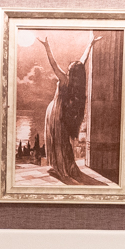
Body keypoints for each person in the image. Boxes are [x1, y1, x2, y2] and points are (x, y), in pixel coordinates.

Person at [37, 35, 92, 185]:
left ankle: (62, 168)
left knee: (59, 141)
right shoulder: (76, 84)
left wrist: (47, 47)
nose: (67, 70)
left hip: (56, 112)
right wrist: (90, 44)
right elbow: (83, 61)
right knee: (62, 141)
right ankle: (65, 168)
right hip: (61, 113)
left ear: (71, 73)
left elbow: (53, 64)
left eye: (69, 69)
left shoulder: (64, 79)